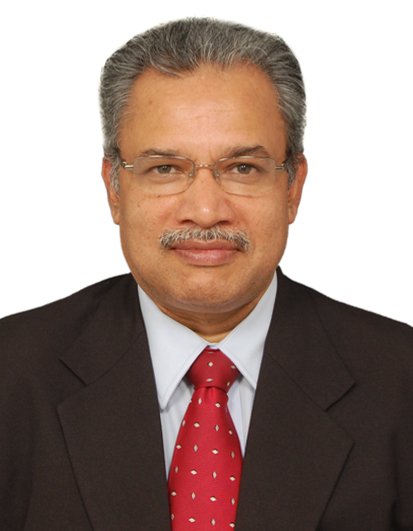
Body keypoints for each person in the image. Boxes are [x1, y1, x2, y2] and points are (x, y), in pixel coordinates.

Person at [1, 17, 412, 531]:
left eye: (242, 168)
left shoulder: (401, 382)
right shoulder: (10, 375)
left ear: (292, 188)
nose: (204, 211)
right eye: (165, 168)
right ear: (114, 190)